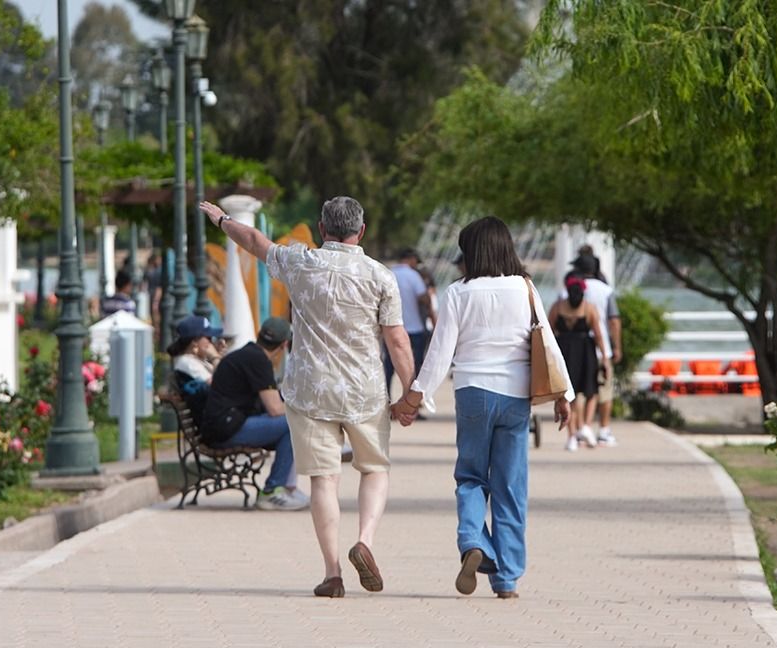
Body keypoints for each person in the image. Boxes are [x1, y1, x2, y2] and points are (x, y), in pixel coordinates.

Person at [198, 197, 415, 599]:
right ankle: (365, 539)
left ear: (321, 228)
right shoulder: (380, 275)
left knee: (323, 480)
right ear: (361, 231)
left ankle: (332, 573)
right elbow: (397, 340)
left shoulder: (301, 261)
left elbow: (253, 239)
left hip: (310, 390)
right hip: (363, 390)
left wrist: (223, 220)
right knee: (374, 469)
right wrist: (411, 392)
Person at [394, 216, 572, 600]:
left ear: (472, 253)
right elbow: (548, 342)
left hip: (473, 391)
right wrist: (564, 395)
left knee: (472, 477)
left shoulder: (458, 292)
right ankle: (506, 579)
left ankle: (474, 541)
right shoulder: (524, 288)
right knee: (510, 486)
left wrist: (414, 398)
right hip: (515, 396)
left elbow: (441, 351)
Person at [201, 318, 308, 511]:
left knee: (291, 424)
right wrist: (306, 407)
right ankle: (272, 490)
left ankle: (286, 488)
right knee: (294, 423)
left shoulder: (247, 354)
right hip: (226, 430)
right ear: (284, 344)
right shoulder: (259, 360)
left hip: (221, 425)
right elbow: (274, 408)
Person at [548, 275, 610, 450]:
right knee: (591, 391)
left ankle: (572, 436)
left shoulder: (557, 307)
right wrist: (604, 357)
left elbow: (549, 332)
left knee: (569, 395)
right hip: (585, 352)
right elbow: (598, 335)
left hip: (564, 353)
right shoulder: (589, 308)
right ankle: (586, 426)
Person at [572, 254, 622, 446]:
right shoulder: (606, 290)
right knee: (604, 392)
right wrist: (616, 346)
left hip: (576, 350)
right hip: (601, 350)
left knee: (579, 392)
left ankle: (578, 430)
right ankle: (603, 430)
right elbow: (614, 320)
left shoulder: (570, 289)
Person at [384, 247, 431, 398]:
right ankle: (411, 403)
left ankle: (387, 401)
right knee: (414, 369)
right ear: (411, 259)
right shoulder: (414, 276)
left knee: (388, 369)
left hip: (391, 328)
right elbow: (424, 299)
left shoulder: (388, 274)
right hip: (414, 328)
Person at [167, 316, 223, 384]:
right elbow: (218, 385)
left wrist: (220, 356)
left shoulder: (199, 360)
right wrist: (215, 357)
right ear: (195, 341)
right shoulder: (187, 362)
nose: (211, 342)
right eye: (209, 338)